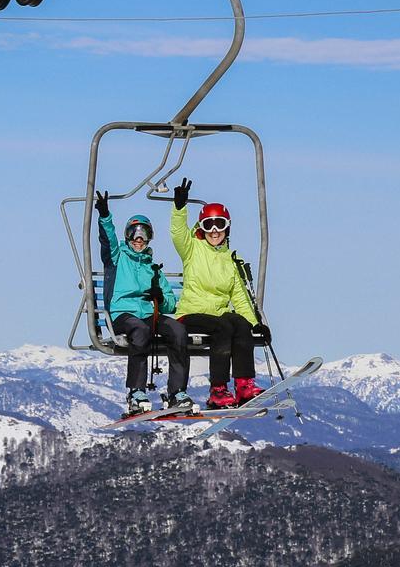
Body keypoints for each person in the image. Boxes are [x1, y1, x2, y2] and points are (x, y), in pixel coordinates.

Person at [169, 178, 271, 409]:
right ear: (201, 228)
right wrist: (179, 208)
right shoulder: (192, 250)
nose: (214, 231)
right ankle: (218, 390)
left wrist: (256, 324)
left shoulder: (229, 260)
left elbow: (239, 297)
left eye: (219, 224)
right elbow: (178, 234)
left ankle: (244, 384)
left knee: (240, 323)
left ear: (227, 227)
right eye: (209, 225)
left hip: (218, 314)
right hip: (192, 313)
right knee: (223, 327)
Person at [95, 190, 196, 417]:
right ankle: (136, 391)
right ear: (128, 236)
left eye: (143, 234)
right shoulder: (116, 257)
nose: (138, 239)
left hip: (149, 314)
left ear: (149, 237)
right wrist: (105, 216)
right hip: (123, 314)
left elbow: (170, 305)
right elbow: (107, 240)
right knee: (140, 330)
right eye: (134, 233)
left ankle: (177, 392)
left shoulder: (153, 268)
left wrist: (160, 296)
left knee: (178, 330)